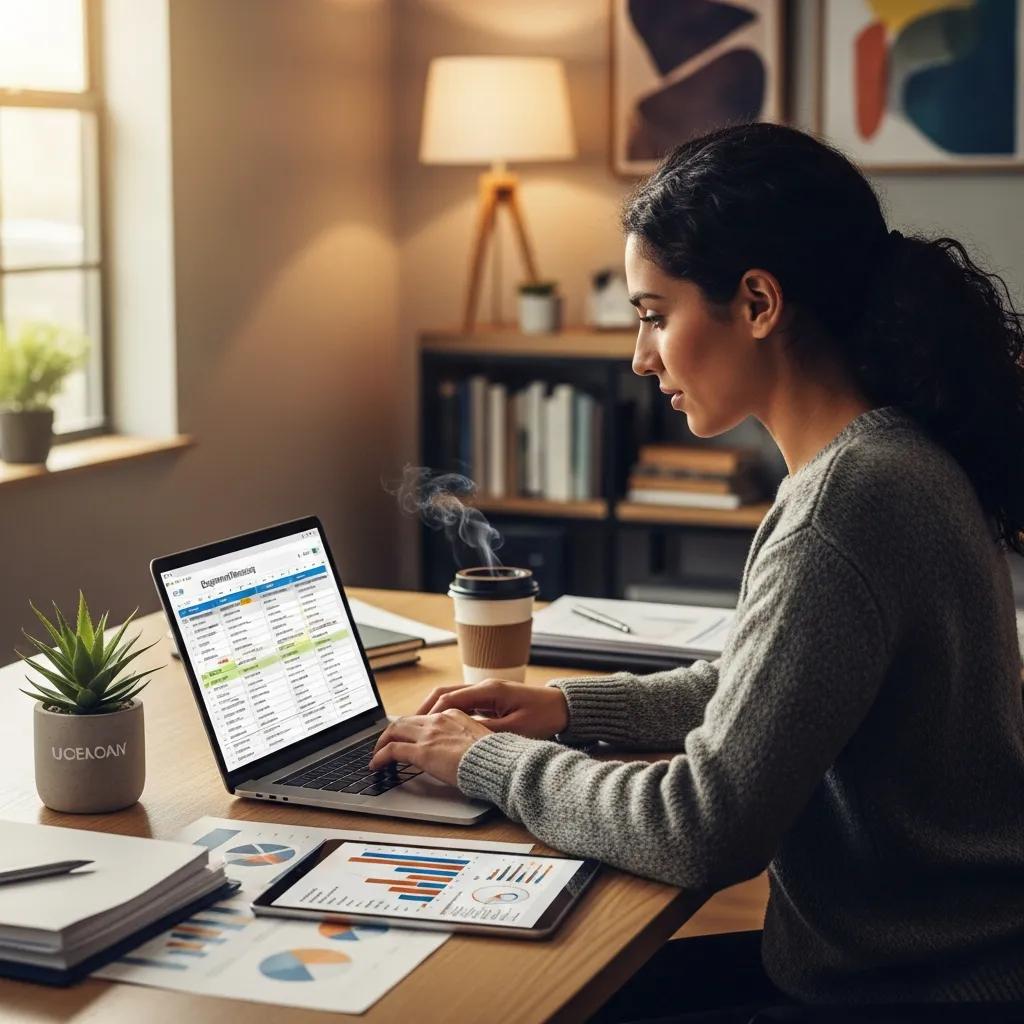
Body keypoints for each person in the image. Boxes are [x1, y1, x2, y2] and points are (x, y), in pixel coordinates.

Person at [369, 123, 1024, 1021]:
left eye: (655, 315)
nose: (642, 358)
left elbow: (702, 827)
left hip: (910, 993)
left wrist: (490, 763)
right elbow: (776, 682)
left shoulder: (848, 502)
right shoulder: (888, 456)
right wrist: (569, 710)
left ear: (758, 302)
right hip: (932, 961)